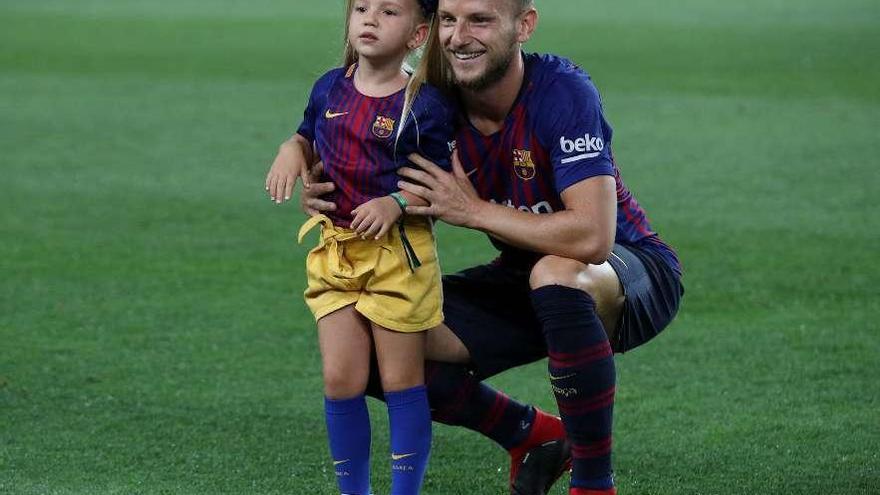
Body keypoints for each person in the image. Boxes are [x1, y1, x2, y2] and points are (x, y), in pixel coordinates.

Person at [296, 0, 684, 494]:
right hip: (521, 274)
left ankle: (593, 483)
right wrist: (320, 182)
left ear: (524, 25)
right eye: (450, 21)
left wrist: (472, 210)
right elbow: (352, 147)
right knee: (378, 344)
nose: (460, 36)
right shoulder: (431, 104)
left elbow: (592, 237)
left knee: (556, 275)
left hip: (627, 269)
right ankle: (534, 436)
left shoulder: (562, 92)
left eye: (480, 19)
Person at [264, 1, 455, 494]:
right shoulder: (329, 86)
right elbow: (308, 136)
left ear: (416, 35)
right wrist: (292, 150)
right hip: (336, 251)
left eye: (388, 12)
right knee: (340, 379)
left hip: (398, 256)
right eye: (362, 7)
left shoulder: (424, 104)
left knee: (400, 383)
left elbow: (442, 184)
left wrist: (396, 202)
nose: (369, 19)